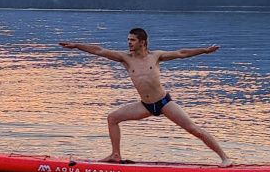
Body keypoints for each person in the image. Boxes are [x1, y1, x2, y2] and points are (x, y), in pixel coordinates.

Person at [58, 27, 228, 163]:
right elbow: (99, 50)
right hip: (145, 106)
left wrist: (205, 51)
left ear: (143, 42)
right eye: (128, 40)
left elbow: (182, 53)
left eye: (132, 40)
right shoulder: (125, 58)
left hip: (164, 103)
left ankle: (225, 159)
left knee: (193, 129)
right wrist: (77, 46)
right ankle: (115, 155)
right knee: (112, 118)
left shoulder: (156, 56)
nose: (129, 43)